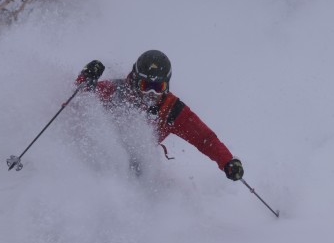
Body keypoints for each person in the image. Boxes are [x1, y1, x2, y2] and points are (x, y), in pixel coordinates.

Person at [75, 50, 243, 181]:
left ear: (167, 86)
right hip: (96, 156)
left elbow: (204, 139)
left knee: (138, 169)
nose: (151, 93)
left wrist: (227, 161)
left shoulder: (172, 110)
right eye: (145, 85)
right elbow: (77, 98)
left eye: (158, 87)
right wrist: (86, 78)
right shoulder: (116, 91)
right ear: (134, 79)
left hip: (136, 169)